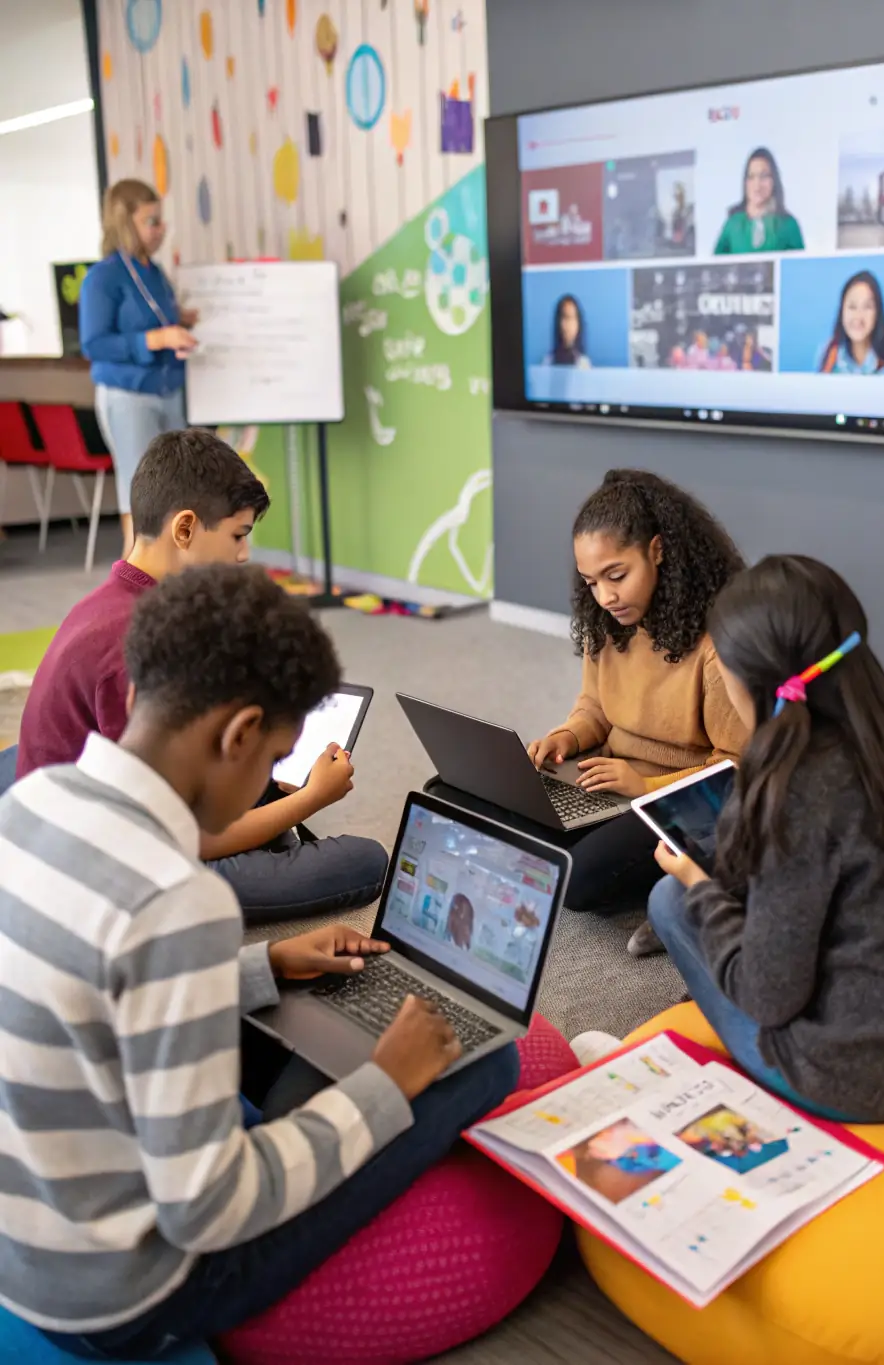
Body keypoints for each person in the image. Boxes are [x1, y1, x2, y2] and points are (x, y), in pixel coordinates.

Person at [0, 564, 525, 1355]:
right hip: (126, 1297)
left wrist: (266, 964)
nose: (269, 780)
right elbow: (207, 1210)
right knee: (490, 1066)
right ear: (241, 733)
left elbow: (95, 988)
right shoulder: (179, 903)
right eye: (274, 756)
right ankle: (315, 1117)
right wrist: (384, 1087)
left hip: (25, 1238)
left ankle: (301, 1097)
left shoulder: (29, 799)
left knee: (303, 1008)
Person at [648, 554, 884, 1124]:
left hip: (860, 1083)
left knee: (669, 901)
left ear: (751, 680)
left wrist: (699, 885)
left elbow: (769, 997)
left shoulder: (794, 790)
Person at [15, 429, 387, 926]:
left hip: (79, 805)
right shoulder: (132, 643)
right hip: (111, 862)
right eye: (238, 535)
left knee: (256, 786)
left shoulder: (125, 603)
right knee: (365, 862)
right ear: (185, 529)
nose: (242, 555)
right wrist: (309, 799)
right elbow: (186, 834)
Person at [527, 470, 748, 957]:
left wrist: (643, 786)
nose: (605, 596)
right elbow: (595, 709)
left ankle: (691, 891)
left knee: (575, 881)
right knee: (462, 794)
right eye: (590, 582)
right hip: (608, 779)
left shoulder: (716, 646)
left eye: (616, 576)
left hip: (679, 799)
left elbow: (736, 771)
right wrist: (567, 737)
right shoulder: (607, 623)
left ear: (657, 550)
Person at [80, 178, 199, 558]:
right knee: (140, 491)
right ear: (125, 223)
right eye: (151, 221)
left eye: (160, 220)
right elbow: (94, 344)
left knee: (176, 490)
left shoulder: (155, 273)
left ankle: (173, 577)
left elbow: (153, 317)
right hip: (129, 395)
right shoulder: (104, 276)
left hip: (169, 391)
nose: (160, 229)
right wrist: (156, 340)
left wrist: (181, 320)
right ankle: (137, 583)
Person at [714, 148, 804, 255]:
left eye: (764, 176)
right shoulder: (733, 224)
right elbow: (715, 265)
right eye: (751, 177)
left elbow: (800, 267)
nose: (757, 184)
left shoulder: (788, 224)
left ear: (774, 180)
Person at [818, 270, 884, 375]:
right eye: (852, 307)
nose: (858, 316)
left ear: (878, 312)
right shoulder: (828, 352)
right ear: (842, 311)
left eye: (867, 307)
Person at [544, 294, 591, 368]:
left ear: (578, 324)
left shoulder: (583, 363)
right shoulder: (548, 361)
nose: (566, 325)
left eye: (571, 318)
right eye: (563, 318)